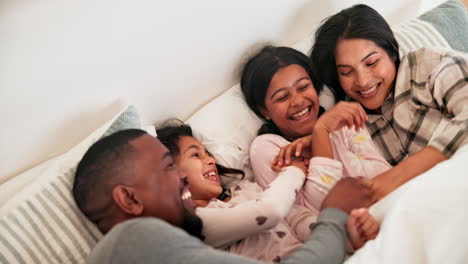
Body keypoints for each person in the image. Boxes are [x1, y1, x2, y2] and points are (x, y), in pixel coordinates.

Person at [73, 129, 373, 264]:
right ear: (129, 199)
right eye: (168, 167)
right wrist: (334, 214)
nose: (181, 178)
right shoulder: (132, 240)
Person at [310, 4, 468, 201]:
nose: (362, 81)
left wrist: (394, 178)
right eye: (346, 72)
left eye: (371, 63)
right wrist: (316, 135)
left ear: (392, 53)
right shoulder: (351, 124)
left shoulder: (427, 65)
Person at [156, 122, 379, 261]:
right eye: (196, 155)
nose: (211, 160)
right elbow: (270, 212)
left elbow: (294, 217)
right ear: (170, 172)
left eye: (208, 153)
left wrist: (345, 235)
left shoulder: (245, 189)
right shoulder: (193, 221)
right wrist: (295, 171)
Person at [240, 46, 391, 217]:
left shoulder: (342, 123)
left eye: (303, 87)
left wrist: (319, 136)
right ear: (264, 111)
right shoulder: (267, 148)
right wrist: (321, 136)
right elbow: (320, 209)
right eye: (282, 97)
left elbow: (384, 175)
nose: (297, 101)